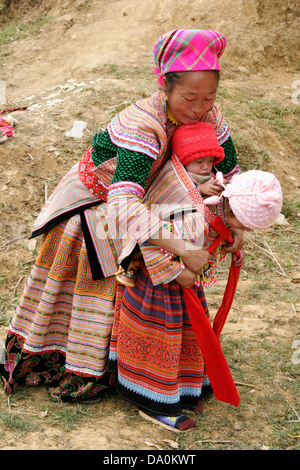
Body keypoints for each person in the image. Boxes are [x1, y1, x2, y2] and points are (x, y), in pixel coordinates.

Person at [0, 29, 243, 403]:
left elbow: (232, 174)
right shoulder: (142, 124)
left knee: (143, 274)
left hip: (148, 205)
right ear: (165, 86)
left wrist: (235, 224)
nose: (198, 108)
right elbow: (122, 207)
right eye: (189, 97)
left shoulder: (209, 115)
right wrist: (181, 247)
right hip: (96, 206)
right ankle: (84, 365)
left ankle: (135, 369)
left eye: (208, 97)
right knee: (100, 288)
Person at [108, 122, 283, 432]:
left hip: (184, 285)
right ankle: (155, 402)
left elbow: (211, 239)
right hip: (157, 287)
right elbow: (149, 242)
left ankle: (183, 390)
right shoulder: (190, 215)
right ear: (233, 212)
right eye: (243, 225)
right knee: (160, 337)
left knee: (186, 335)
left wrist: (229, 246)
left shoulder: (212, 208)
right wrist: (179, 271)